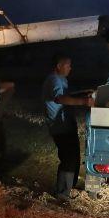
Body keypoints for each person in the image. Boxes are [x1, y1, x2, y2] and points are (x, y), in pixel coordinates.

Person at [41, 54, 94, 201]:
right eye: (67, 65)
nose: (70, 68)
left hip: (66, 125)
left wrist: (83, 93)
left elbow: (66, 95)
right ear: (59, 66)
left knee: (73, 157)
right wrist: (84, 101)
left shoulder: (61, 79)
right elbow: (60, 98)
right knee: (68, 158)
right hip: (60, 126)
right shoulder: (54, 80)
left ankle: (68, 188)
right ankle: (62, 193)